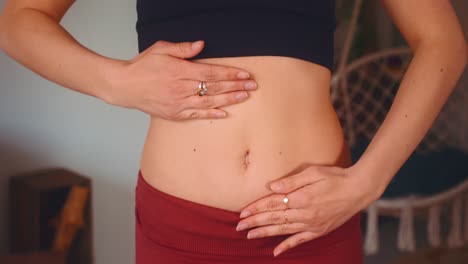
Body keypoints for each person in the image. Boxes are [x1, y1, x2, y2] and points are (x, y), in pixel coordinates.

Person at [0, 0, 466, 263]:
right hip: (180, 229)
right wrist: (115, 82)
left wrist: (369, 181)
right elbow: (18, 19)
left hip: (310, 227)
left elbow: (442, 40)